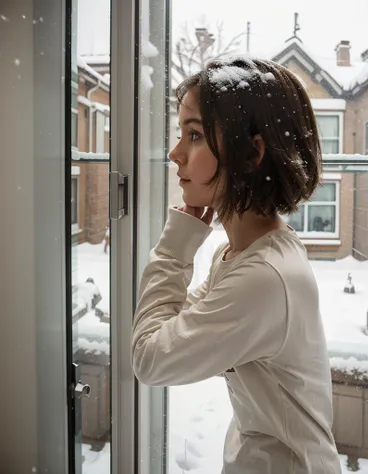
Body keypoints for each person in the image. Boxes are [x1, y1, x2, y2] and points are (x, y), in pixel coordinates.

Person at [131, 58, 341, 474]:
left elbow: (150, 357)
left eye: (193, 135)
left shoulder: (263, 279)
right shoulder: (244, 253)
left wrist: (175, 248)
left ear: (251, 153)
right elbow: (182, 325)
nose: (175, 154)